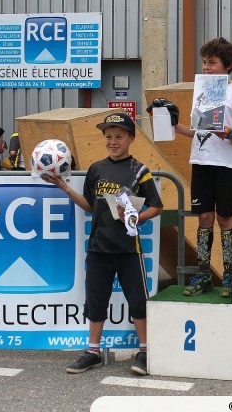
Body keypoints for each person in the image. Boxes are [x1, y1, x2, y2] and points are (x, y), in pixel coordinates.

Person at [42, 112, 163, 375]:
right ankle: (93, 352)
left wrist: (136, 218)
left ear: (131, 138)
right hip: (98, 248)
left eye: (119, 136)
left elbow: (157, 206)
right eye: (108, 137)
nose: (113, 141)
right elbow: (89, 205)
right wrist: (65, 187)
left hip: (130, 249)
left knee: (137, 302)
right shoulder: (96, 169)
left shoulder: (140, 170)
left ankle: (144, 352)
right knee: (96, 301)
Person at [173, 38, 232, 299]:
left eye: (212, 63)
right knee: (204, 217)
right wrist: (171, 122)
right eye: (204, 62)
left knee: (224, 217)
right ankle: (203, 273)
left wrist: (226, 133)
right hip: (201, 161)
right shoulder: (202, 92)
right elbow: (197, 131)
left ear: (228, 66)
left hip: (226, 164)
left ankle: (230, 273)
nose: (206, 68)